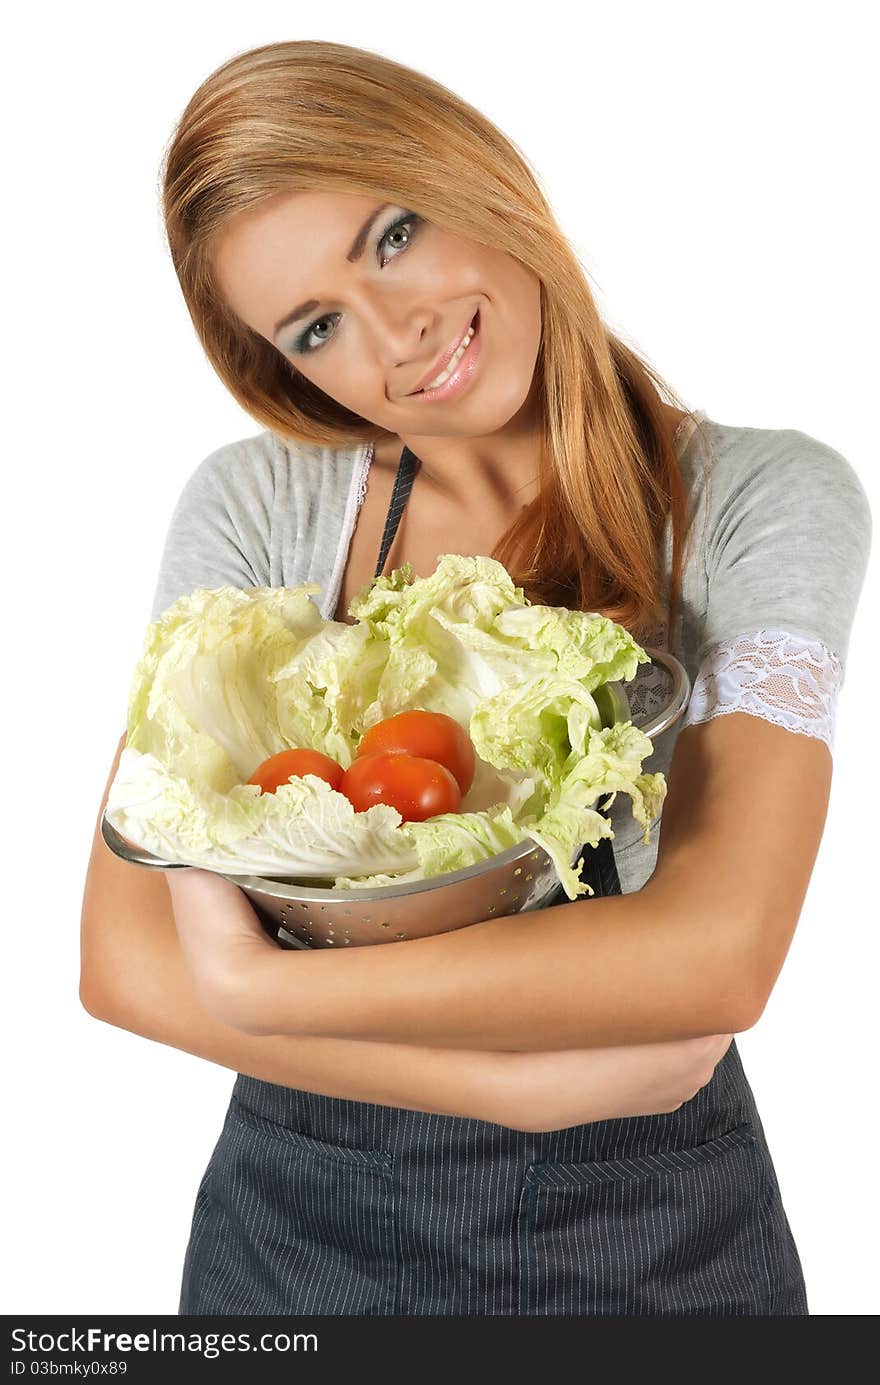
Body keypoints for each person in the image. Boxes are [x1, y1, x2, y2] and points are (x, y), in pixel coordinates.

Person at [80, 40, 871, 1316]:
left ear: (471, 170)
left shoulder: (759, 503)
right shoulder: (264, 506)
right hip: (288, 1245)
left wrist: (256, 984)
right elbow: (122, 957)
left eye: (391, 234)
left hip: (662, 1244)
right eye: (316, 327)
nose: (396, 338)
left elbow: (720, 957)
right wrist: (512, 1082)